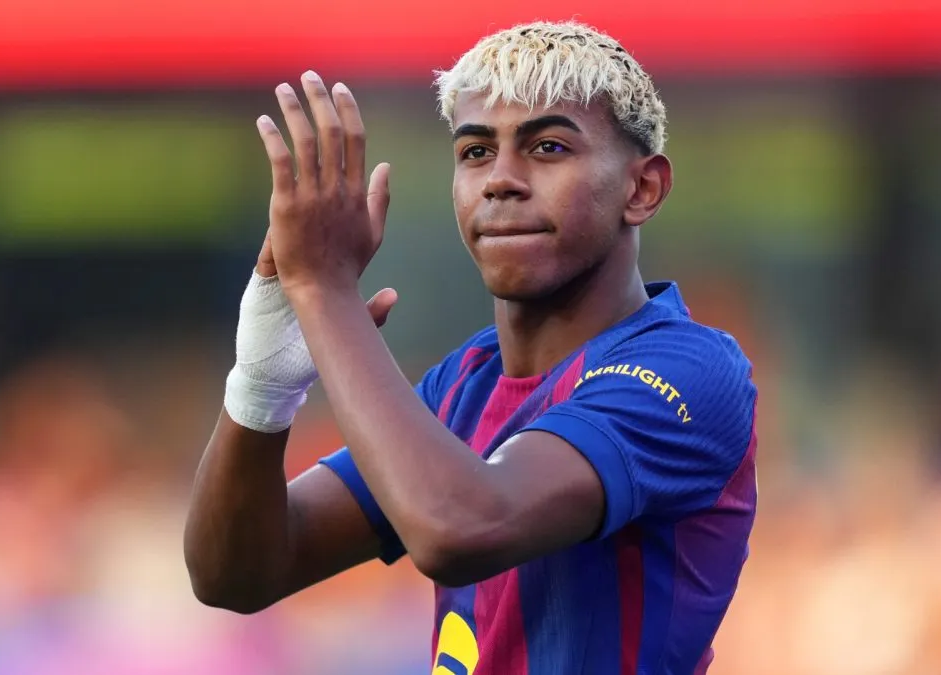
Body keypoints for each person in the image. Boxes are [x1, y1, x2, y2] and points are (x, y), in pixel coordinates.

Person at [184, 21, 758, 673]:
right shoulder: (464, 383)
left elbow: (459, 528)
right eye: (476, 151)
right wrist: (261, 386)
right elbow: (236, 574)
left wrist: (325, 292)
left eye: (547, 147)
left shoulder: (689, 369)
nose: (500, 180)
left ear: (642, 188)